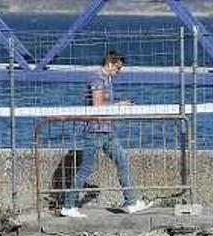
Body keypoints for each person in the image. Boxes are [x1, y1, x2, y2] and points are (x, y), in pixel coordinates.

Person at [60, 50, 151, 218]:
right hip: (95, 131)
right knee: (86, 168)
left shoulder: (106, 79)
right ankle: (68, 205)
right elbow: (97, 106)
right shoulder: (97, 79)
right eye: (118, 67)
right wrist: (118, 107)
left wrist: (118, 104)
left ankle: (131, 202)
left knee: (122, 159)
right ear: (110, 63)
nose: (119, 71)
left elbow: (104, 104)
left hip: (107, 130)